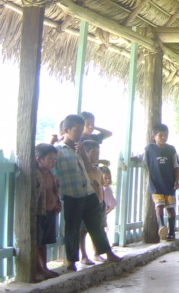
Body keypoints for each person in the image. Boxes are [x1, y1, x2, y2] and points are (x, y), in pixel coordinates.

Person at [54, 114, 120, 271]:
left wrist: (83, 152)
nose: (79, 134)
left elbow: (89, 168)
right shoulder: (57, 150)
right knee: (73, 228)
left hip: (88, 192)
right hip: (71, 194)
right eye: (76, 130)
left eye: (81, 130)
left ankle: (108, 252)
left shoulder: (79, 148)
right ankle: (71, 261)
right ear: (66, 130)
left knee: (96, 225)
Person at [144, 123, 179, 241]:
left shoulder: (171, 149)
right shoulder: (149, 149)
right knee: (159, 206)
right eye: (161, 135)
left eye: (166, 135)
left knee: (170, 208)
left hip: (169, 184)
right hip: (156, 184)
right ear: (154, 136)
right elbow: (142, 158)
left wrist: (176, 181)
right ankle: (162, 226)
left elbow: (176, 166)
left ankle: (172, 232)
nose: (164, 137)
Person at [35, 143, 62, 280]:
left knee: (44, 242)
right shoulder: (35, 176)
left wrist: (57, 203)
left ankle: (44, 267)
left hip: (50, 213)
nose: (53, 162)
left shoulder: (52, 176)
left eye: (54, 159)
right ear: (39, 159)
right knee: (36, 242)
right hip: (39, 213)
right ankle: (38, 270)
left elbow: (54, 192)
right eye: (50, 159)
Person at [78, 140, 105, 265]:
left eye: (98, 152)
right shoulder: (82, 169)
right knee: (83, 231)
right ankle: (83, 255)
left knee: (97, 229)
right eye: (93, 152)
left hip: (98, 204)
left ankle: (96, 253)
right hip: (86, 204)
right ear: (85, 153)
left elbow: (101, 185)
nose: (97, 155)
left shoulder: (98, 170)